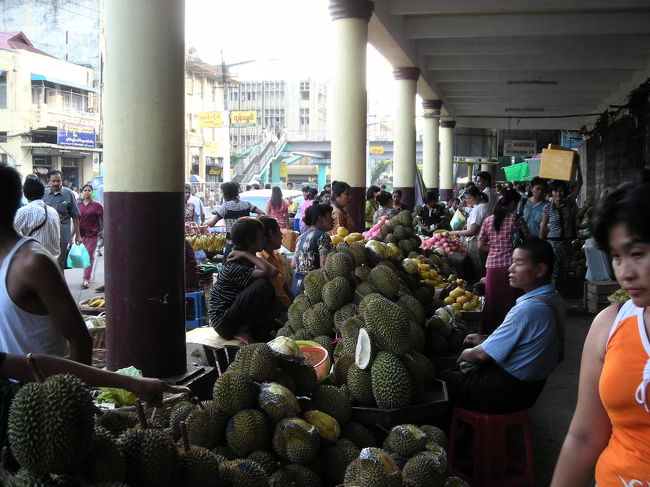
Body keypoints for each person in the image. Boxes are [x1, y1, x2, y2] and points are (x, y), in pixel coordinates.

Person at [550, 170, 650, 486]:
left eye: (637, 254)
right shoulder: (609, 326)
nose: (625, 273)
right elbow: (583, 437)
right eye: (617, 257)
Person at [439, 238, 565, 414]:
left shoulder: (528, 309)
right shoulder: (554, 299)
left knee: (441, 378)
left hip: (506, 392)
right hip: (531, 388)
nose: (510, 269)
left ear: (540, 270)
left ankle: (462, 433)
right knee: (472, 340)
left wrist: (461, 357)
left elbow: (480, 355)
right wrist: (483, 339)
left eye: (518, 264)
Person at [0, 165, 92, 362]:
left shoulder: (32, 264)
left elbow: (80, 339)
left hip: (38, 387)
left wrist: (71, 390)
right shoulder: (49, 210)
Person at [208, 217, 281, 344]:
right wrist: (247, 254)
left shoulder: (245, 261)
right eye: (260, 236)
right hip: (223, 322)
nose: (264, 239)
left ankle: (258, 328)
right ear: (249, 240)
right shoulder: (235, 265)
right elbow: (272, 272)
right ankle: (242, 329)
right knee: (263, 284)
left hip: (231, 314)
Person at [478, 188, 532, 334]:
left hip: (493, 268)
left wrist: (496, 249)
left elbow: (481, 245)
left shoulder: (488, 221)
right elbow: (528, 241)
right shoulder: (517, 220)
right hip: (513, 267)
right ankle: (513, 333)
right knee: (512, 303)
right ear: (513, 203)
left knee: (493, 304)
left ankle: (489, 335)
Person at [539, 177, 582, 292]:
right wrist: (540, 243)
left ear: (565, 192)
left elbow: (579, 184)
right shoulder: (547, 207)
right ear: (552, 192)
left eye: (561, 191)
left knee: (565, 268)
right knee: (555, 269)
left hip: (567, 242)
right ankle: (552, 292)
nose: (558, 193)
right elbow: (543, 226)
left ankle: (562, 293)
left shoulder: (569, 202)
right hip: (553, 242)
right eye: (555, 191)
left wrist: (577, 165)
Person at [205, 182, 265, 261]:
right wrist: (251, 222)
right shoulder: (246, 204)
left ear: (226, 194)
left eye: (222, 193)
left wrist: (204, 223)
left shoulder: (225, 206)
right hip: (246, 243)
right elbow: (262, 213)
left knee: (227, 266)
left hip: (232, 244)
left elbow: (212, 223)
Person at [14, 176, 60, 259]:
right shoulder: (53, 211)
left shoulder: (23, 212)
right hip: (53, 261)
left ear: (24, 193)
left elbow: (9, 234)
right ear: (43, 193)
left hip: (33, 261)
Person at [291, 204, 334, 296]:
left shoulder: (301, 237)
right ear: (321, 218)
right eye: (330, 216)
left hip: (296, 289)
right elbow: (324, 266)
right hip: (312, 291)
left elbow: (293, 264)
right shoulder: (323, 236)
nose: (333, 219)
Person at [43, 169, 81, 270]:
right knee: (47, 264)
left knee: (59, 264)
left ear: (62, 180)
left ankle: (60, 284)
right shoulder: (44, 194)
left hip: (62, 236)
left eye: (58, 181)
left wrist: (78, 235)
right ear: (48, 181)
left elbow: (75, 216)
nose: (56, 183)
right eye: (53, 181)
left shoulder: (69, 193)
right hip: (47, 236)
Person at [450, 185, 489, 280]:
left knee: (478, 271)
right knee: (483, 270)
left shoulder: (478, 209)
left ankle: (481, 291)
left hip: (476, 242)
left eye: (469, 198)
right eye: (466, 198)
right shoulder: (486, 205)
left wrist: (455, 232)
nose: (467, 201)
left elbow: (471, 231)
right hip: (485, 241)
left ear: (477, 196)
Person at [257, 216, 293, 311]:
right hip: (276, 311)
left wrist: (294, 303)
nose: (282, 234)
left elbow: (284, 285)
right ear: (271, 233)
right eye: (279, 230)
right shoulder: (260, 260)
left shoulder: (277, 255)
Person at [77, 184, 104, 289]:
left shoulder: (97, 205)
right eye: (85, 190)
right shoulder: (78, 205)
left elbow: (103, 219)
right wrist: (74, 234)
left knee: (89, 256)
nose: (87, 192)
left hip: (93, 235)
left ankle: (86, 278)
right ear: (82, 192)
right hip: (81, 234)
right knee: (83, 257)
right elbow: (76, 221)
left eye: (89, 190)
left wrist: (103, 231)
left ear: (92, 192)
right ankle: (86, 276)